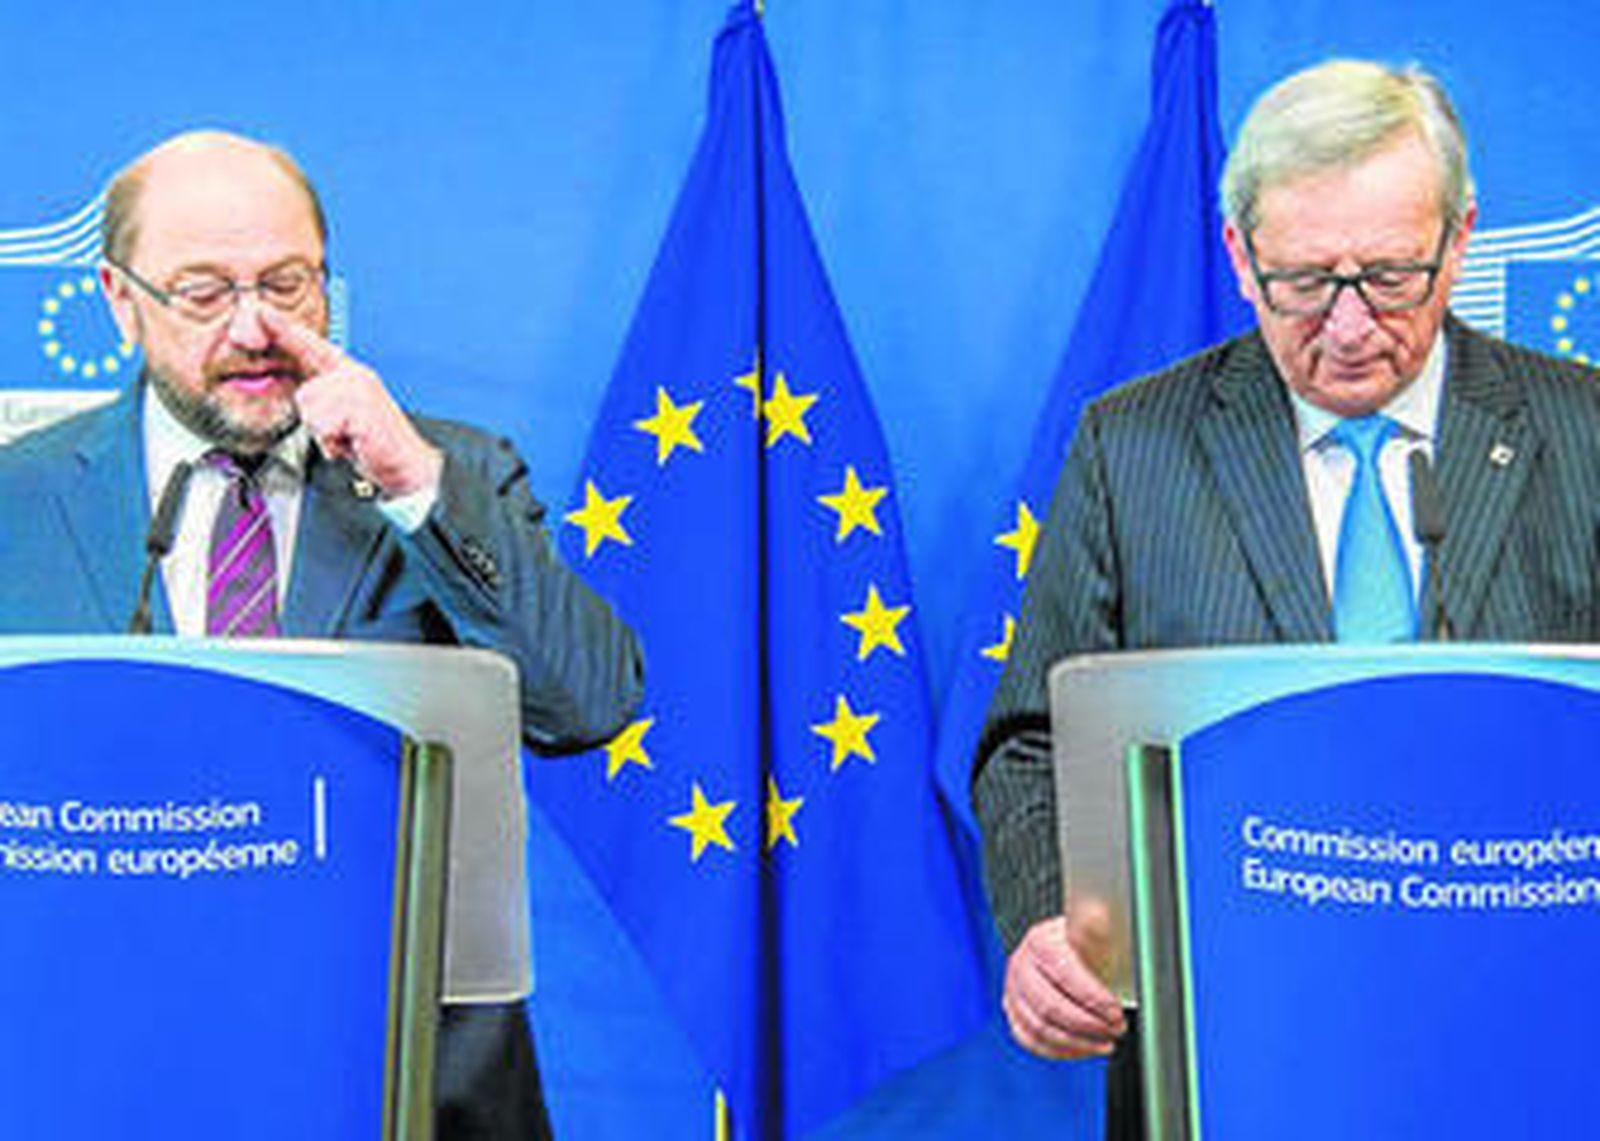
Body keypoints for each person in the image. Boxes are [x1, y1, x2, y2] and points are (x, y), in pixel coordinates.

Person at [974, 59, 1600, 1139]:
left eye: (1392, 277)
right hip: (1227, 1043)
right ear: (1238, 254)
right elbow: (1028, 741)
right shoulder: (1134, 447)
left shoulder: (1581, 432)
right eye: (1305, 282)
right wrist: (1044, 924)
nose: (1349, 326)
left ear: (1459, 239)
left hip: (1533, 1029)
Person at [0, 130, 644, 1140]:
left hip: (411, 1087)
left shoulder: (450, 474)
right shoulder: (18, 501)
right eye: (205, 292)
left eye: (286, 284)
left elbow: (589, 699)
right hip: (95, 1074)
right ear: (121, 300)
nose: (255, 327)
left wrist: (412, 487)